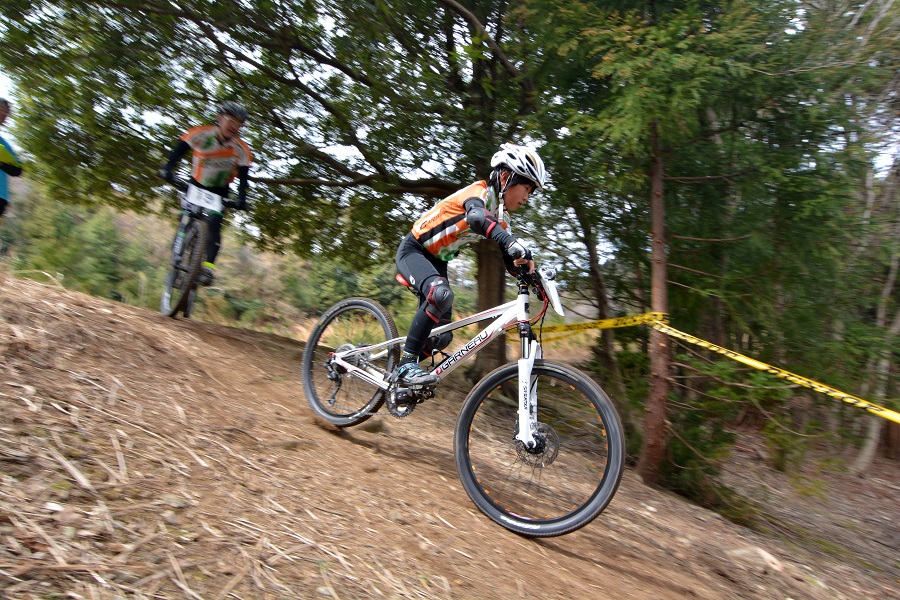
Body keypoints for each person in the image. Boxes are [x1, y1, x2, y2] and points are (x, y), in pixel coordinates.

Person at [394, 143, 547, 386]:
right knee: (440, 294)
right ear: (506, 178)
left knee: (440, 337)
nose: (527, 197)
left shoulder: (501, 218)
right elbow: (476, 218)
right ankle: (405, 366)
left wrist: (532, 275)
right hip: (414, 250)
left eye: (531, 192)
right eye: (526, 188)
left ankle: (401, 379)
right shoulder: (479, 193)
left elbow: (511, 262)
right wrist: (509, 241)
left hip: (438, 262)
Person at [159, 101, 252, 286]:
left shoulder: (242, 149)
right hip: (196, 184)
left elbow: (243, 178)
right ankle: (177, 258)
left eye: (239, 124)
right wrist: (167, 170)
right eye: (231, 121)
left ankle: (208, 268)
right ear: (219, 118)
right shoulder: (199, 134)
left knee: (215, 225)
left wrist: (241, 198)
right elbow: (177, 153)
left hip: (220, 189)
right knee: (186, 218)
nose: (235, 127)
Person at [0, 98, 24, 222]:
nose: (4, 114)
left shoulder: (4, 145)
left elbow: (17, 170)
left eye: (7, 112)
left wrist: (1, 163)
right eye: (1, 109)